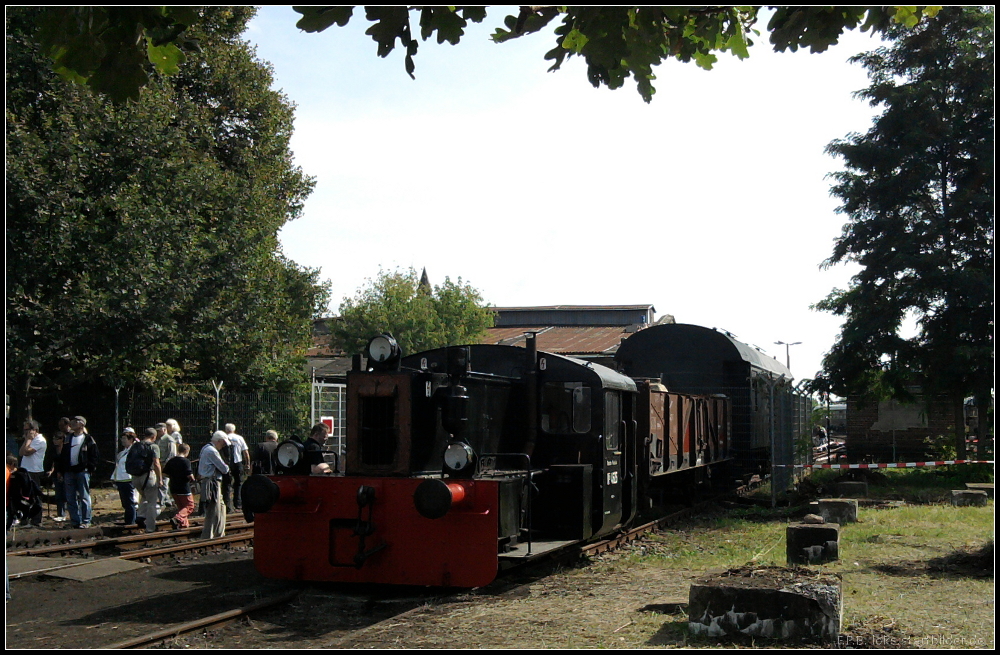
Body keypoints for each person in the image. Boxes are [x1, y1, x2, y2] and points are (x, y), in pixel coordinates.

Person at [59, 416, 99, 529]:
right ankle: (75, 521)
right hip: (69, 471)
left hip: (82, 471)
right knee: (70, 497)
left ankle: (86, 520)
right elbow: (63, 455)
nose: (72, 423)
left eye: (75, 421)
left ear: (82, 424)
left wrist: (90, 468)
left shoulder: (88, 439)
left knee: (84, 496)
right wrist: (61, 470)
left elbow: (94, 455)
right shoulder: (67, 439)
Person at [200, 432, 231, 539]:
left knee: (221, 507)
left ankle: (219, 533)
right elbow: (224, 468)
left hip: (211, 480)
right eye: (223, 443)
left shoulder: (205, 448)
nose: (223, 446)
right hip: (212, 482)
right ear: (219, 441)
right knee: (214, 509)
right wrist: (227, 466)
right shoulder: (212, 451)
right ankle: (209, 535)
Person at [130, 427, 162, 533]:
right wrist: (160, 479)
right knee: (152, 502)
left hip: (135, 477)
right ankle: (150, 528)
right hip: (148, 476)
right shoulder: (153, 446)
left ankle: (140, 516)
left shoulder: (135, 445)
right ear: (154, 437)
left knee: (144, 497)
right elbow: (156, 464)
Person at [18, 420, 46, 524]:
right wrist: (27, 440)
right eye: (24, 430)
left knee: (35, 496)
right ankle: (25, 517)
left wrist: (28, 440)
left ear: (34, 430)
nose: (25, 432)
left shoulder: (40, 440)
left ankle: (36, 519)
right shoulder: (29, 440)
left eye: (27, 430)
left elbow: (27, 452)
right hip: (25, 470)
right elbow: (21, 452)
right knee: (25, 496)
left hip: (34, 471)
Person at [163, 443, 196, 529]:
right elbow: (190, 476)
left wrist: (173, 476)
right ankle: (178, 517)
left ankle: (183, 525)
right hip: (184, 487)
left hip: (173, 487)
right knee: (189, 506)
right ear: (186, 451)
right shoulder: (186, 461)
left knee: (181, 507)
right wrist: (194, 481)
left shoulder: (171, 461)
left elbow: (164, 473)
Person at [111, 429, 139, 525]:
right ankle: (128, 520)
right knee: (125, 502)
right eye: (122, 438)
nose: (122, 441)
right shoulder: (124, 452)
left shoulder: (133, 450)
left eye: (124, 439)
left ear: (131, 440)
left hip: (128, 479)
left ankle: (131, 521)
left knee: (130, 501)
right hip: (121, 479)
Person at [223, 423, 250, 512]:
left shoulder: (224, 438)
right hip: (238, 462)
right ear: (234, 429)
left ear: (226, 430)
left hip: (226, 463)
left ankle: (227, 505)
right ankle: (238, 504)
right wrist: (247, 463)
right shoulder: (239, 438)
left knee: (227, 484)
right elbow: (245, 452)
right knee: (239, 483)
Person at [44, 430, 69, 522]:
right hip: (56, 474)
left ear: (62, 439)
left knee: (67, 494)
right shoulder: (53, 450)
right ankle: (61, 514)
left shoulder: (67, 449)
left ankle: (72, 513)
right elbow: (53, 462)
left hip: (66, 473)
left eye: (56, 439)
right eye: (53, 439)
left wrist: (62, 473)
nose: (54, 441)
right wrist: (51, 470)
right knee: (58, 494)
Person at [155, 422, 176, 508]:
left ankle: (163, 502)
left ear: (164, 430)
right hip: (159, 465)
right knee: (160, 484)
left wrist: (166, 465)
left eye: (159, 431)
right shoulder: (157, 439)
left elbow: (171, 454)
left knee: (164, 484)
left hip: (165, 465)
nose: (157, 432)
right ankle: (166, 500)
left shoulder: (169, 440)